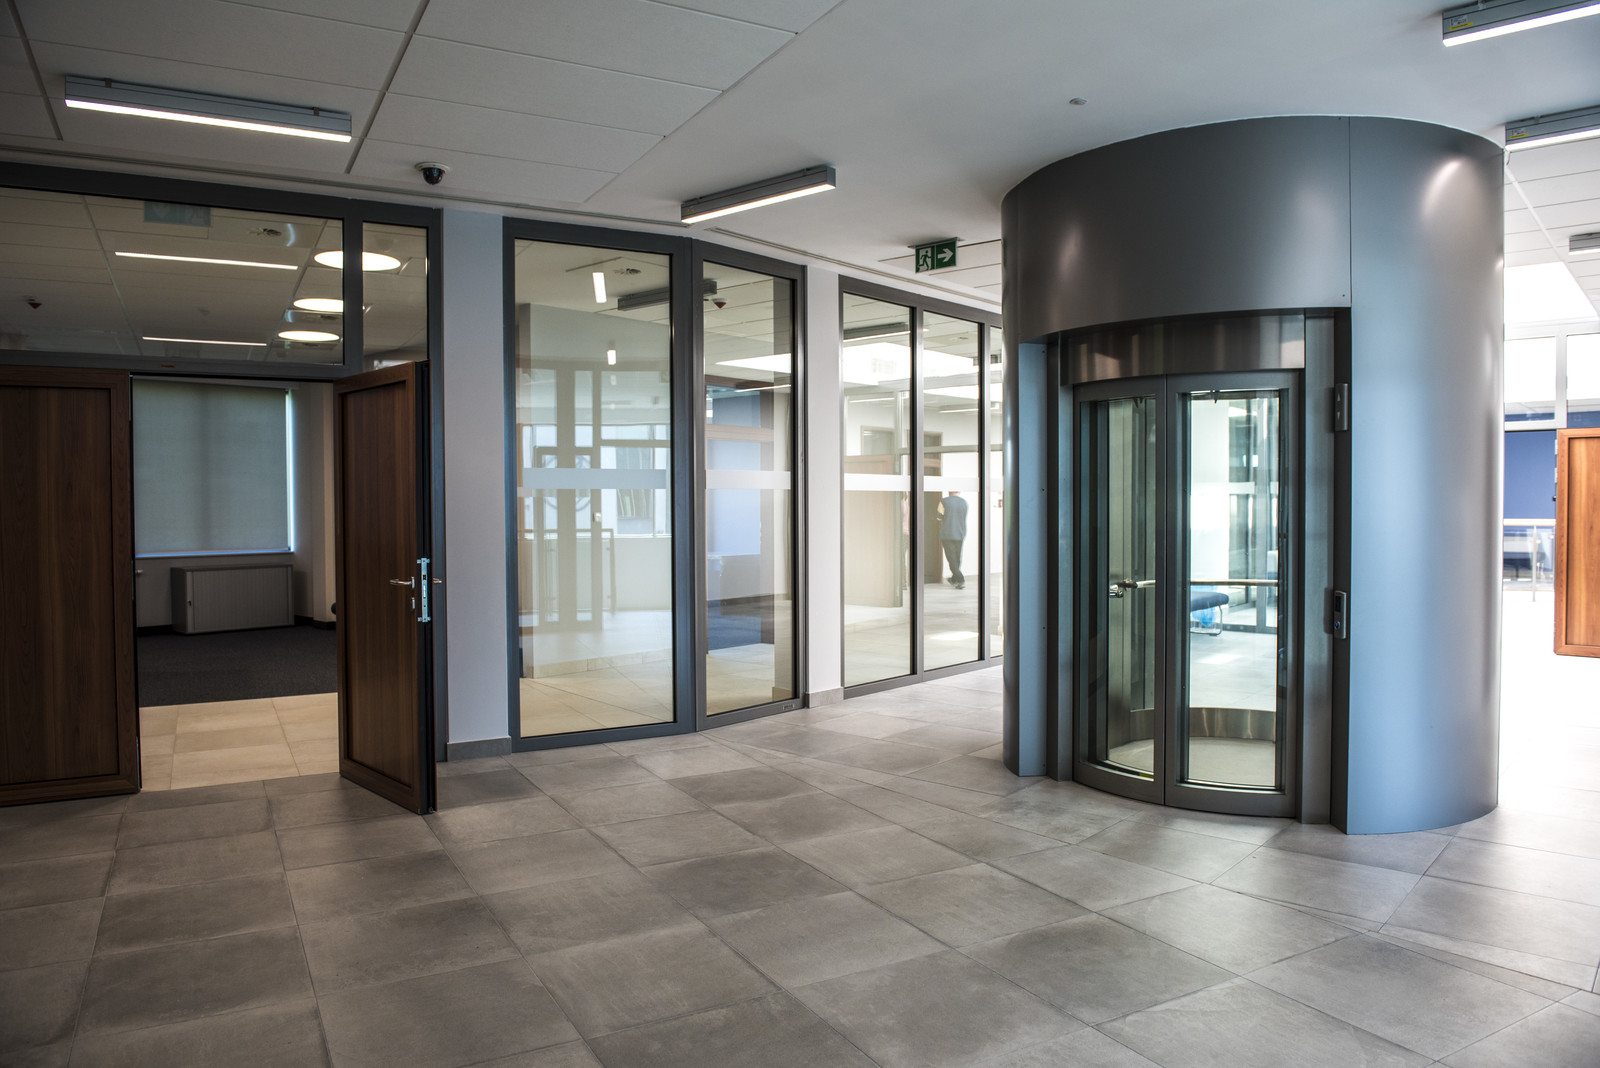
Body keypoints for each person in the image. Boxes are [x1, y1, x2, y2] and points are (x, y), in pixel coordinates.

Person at [937, 490, 969, 589]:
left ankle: (960, 579)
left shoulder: (943, 501)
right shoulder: (964, 502)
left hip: (947, 534)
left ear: (949, 491)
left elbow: (939, 517)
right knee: (957, 558)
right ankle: (954, 579)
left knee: (951, 558)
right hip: (960, 533)